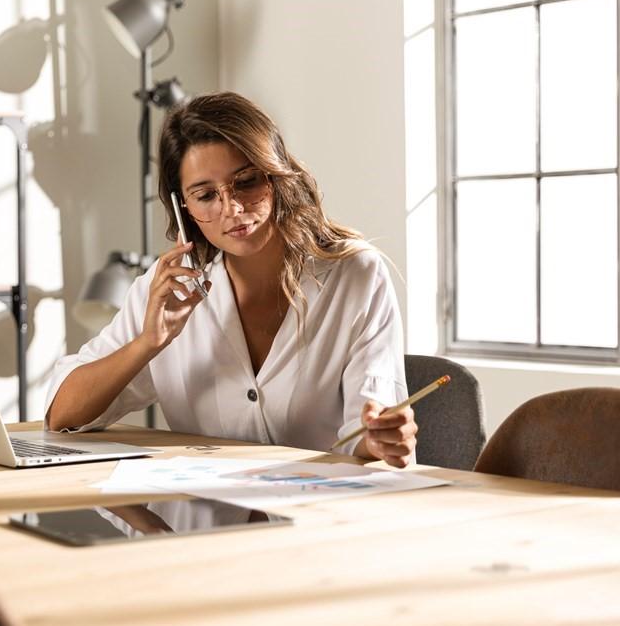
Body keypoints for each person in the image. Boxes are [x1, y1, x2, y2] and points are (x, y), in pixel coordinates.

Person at [45, 92, 416, 467]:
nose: (232, 208)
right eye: (206, 195)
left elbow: (369, 431)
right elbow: (62, 416)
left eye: (247, 181)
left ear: (275, 175)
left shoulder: (354, 276)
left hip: (321, 513)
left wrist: (382, 439)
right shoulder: (168, 291)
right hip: (202, 518)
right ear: (183, 207)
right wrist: (148, 343)